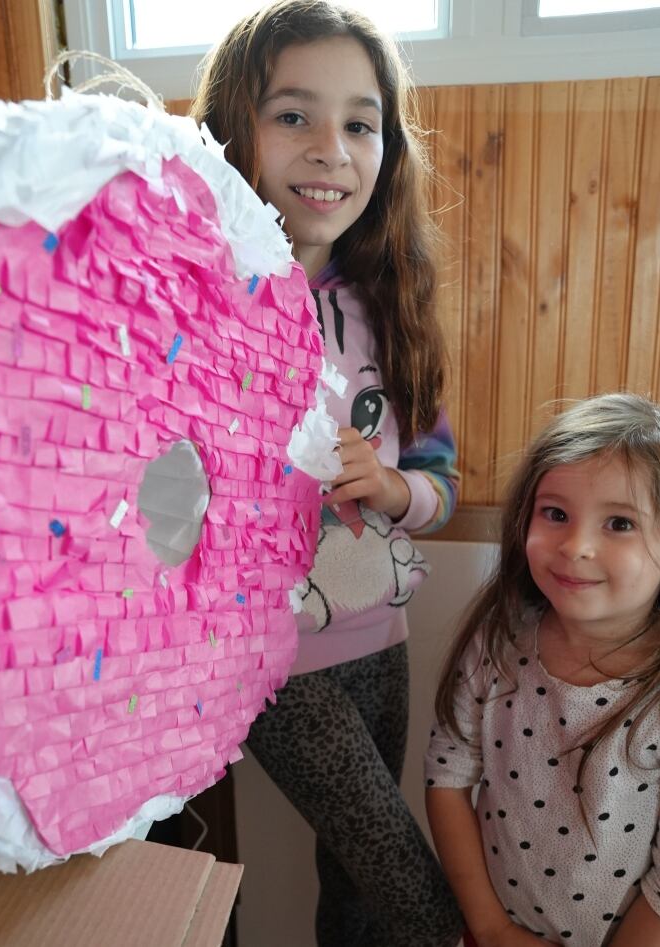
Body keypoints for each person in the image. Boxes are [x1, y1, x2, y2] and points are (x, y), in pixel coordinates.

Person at [191, 2, 463, 944]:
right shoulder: (199, 301)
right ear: (234, 125)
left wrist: (398, 492)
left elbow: (440, 473)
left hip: (378, 635)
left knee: (356, 888)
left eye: (359, 123)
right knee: (412, 893)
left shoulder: (389, 303)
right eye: (292, 115)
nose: (329, 149)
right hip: (268, 656)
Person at [425, 393, 660, 947]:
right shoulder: (498, 639)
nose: (577, 546)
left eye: (619, 523)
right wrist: (493, 930)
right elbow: (447, 779)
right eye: (555, 514)